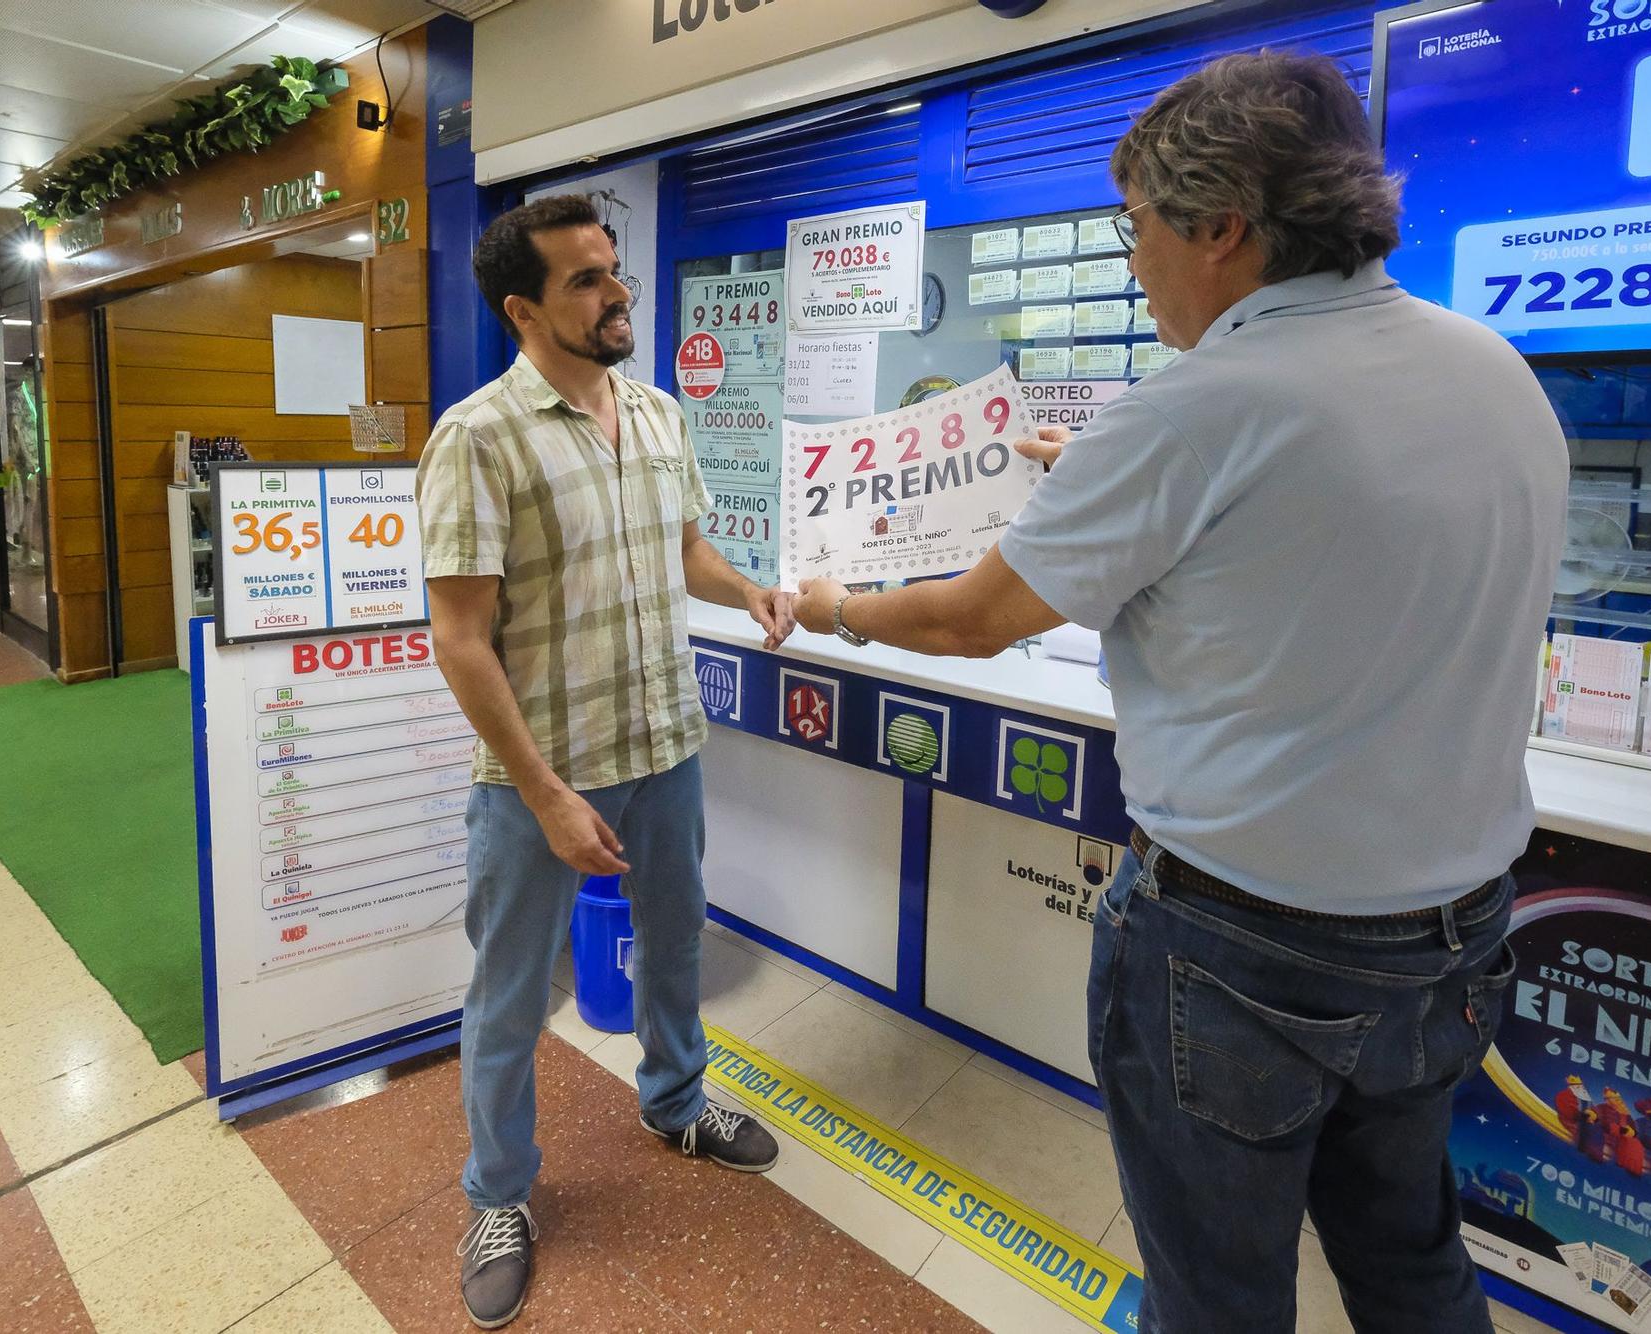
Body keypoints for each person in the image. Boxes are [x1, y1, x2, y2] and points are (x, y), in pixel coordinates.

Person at [793, 51, 1565, 1333]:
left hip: (1244, 945)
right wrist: (1095, 472)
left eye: (1134, 225)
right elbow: (1310, 546)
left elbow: (970, 617)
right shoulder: (1491, 369)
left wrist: (830, 607)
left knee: (1217, 1292)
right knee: (1411, 1258)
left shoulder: (1198, 406)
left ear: (1218, 225)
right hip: (1451, 935)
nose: (1131, 257)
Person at [418, 194, 795, 1330]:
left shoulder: (658, 413)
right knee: (510, 994)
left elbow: (682, 547)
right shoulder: (477, 435)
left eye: (612, 270)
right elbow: (459, 638)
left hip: (663, 739)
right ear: (522, 309)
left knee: (672, 940)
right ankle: (497, 1195)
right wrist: (543, 793)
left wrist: (748, 587)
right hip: (540, 776)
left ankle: (674, 1099)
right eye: (584, 280)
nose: (616, 291)